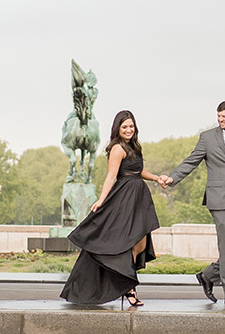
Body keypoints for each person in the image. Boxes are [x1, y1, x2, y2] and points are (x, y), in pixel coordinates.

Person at [159, 100, 225, 306]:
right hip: (220, 199)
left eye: (224, 116)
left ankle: (208, 275)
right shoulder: (208, 138)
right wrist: (173, 178)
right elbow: (191, 160)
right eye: (218, 116)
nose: (220, 119)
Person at [61, 109, 160, 307]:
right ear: (118, 128)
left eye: (131, 126)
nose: (129, 130)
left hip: (138, 199)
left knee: (140, 244)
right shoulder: (117, 148)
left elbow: (137, 171)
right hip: (124, 199)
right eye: (125, 127)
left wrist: (157, 178)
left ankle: (125, 281)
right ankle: (129, 287)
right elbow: (111, 176)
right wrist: (100, 200)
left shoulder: (133, 146)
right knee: (126, 243)